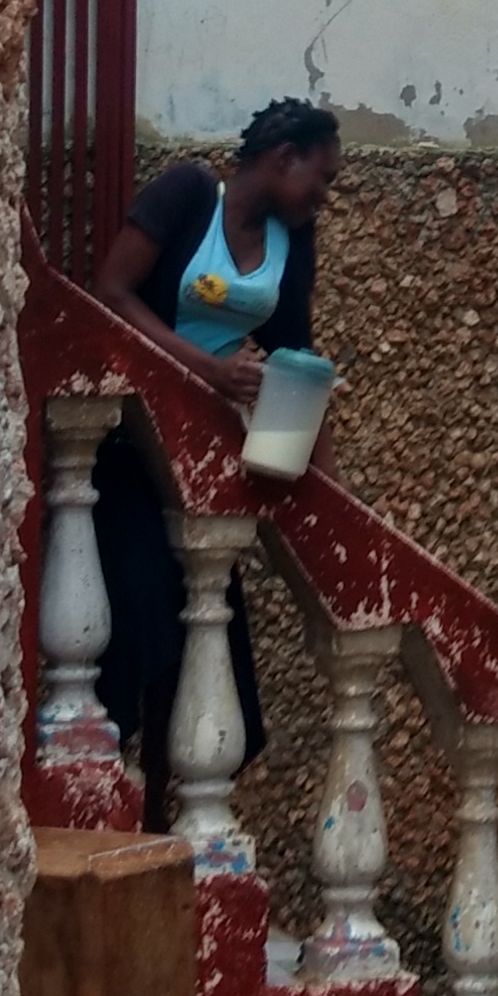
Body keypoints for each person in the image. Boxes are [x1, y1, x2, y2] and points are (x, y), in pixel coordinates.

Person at [90, 97, 345, 817]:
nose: (323, 197)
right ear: (283, 158)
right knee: (139, 622)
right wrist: (205, 369)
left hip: (197, 462)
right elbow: (111, 293)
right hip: (126, 447)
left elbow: (297, 360)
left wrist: (335, 492)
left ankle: (159, 814)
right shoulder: (188, 195)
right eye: (320, 179)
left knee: (204, 634)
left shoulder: (293, 241)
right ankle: (115, 798)